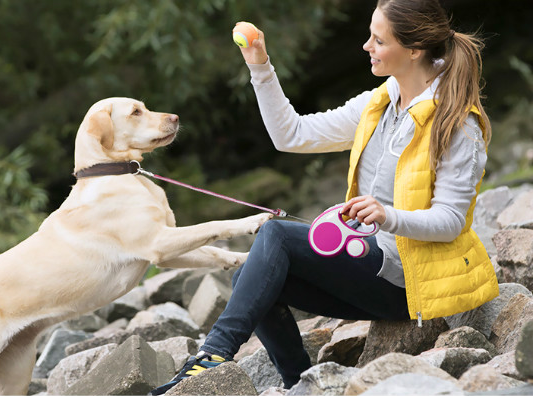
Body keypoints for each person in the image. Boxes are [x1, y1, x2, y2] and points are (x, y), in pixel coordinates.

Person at [151, 0, 499, 393]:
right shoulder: (378, 104)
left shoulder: (458, 124)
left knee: (276, 235)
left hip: (411, 284)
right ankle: (301, 384)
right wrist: (260, 67)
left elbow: (452, 220)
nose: (366, 46)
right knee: (260, 275)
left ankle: (210, 358)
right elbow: (291, 135)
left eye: (378, 40)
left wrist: (388, 216)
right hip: (366, 261)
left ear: (414, 49)